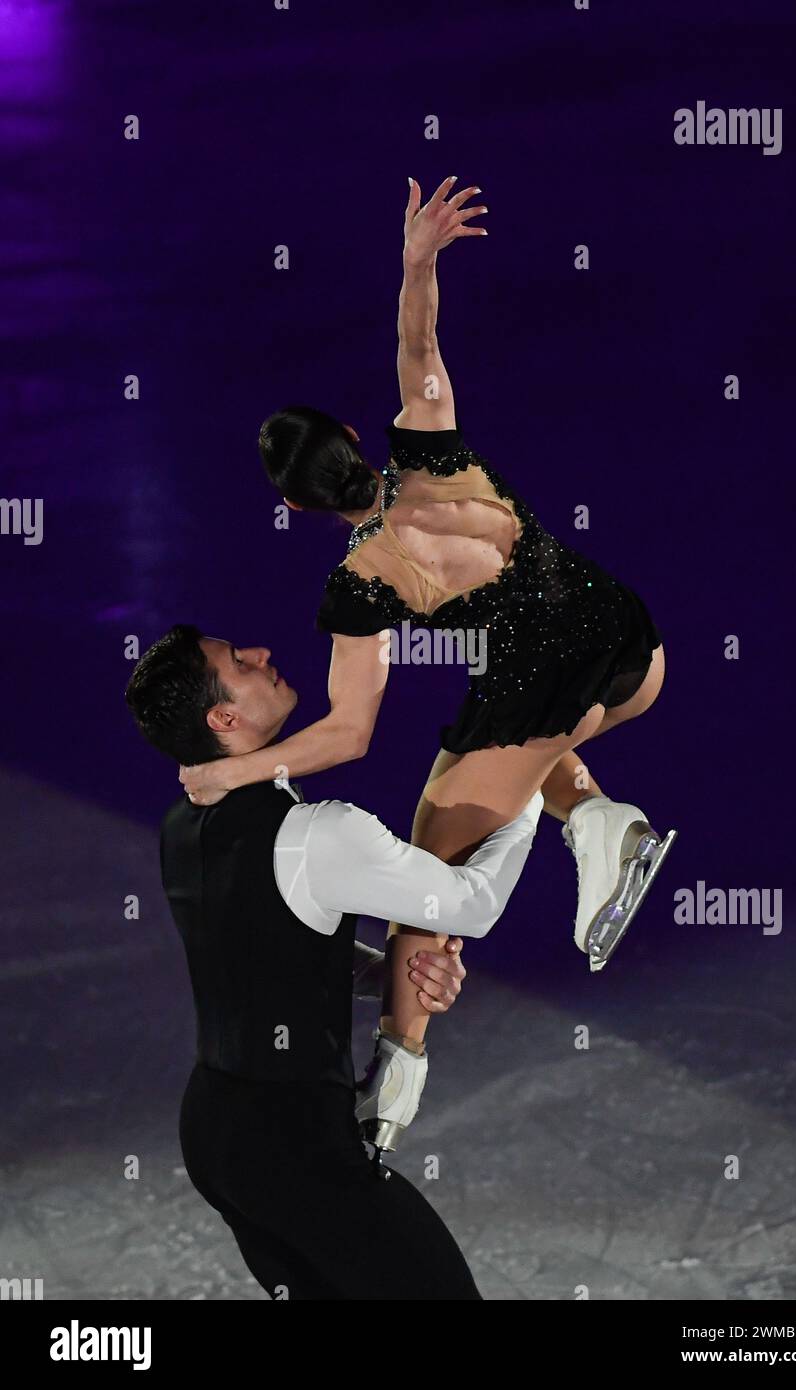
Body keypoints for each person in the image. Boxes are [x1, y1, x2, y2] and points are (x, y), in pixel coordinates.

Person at [179, 175, 677, 1150]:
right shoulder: (429, 439)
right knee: (519, 765)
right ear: (361, 440)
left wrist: (236, 765)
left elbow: (347, 731)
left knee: (424, 860)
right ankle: (596, 821)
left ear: (293, 509)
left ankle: (384, 1107)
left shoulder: (360, 582)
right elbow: (417, 347)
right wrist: (417, 259)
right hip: (627, 635)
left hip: (539, 681)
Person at [126, 624, 546, 1299]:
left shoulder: (183, 819)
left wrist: (392, 973)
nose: (262, 651)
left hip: (214, 1133)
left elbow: (264, 947)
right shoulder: (319, 833)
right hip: (293, 1148)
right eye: (239, 660)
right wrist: (523, 798)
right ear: (224, 717)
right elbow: (472, 905)